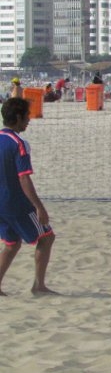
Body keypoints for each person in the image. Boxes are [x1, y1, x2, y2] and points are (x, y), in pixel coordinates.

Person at [0, 98, 56, 296]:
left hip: (1, 204)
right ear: (17, 117)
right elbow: (24, 179)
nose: (29, 120)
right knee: (47, 238)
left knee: (12, 243)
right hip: (17, 204)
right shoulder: (19, 143)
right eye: (26, 116)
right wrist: (39, 207)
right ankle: (39, 286)